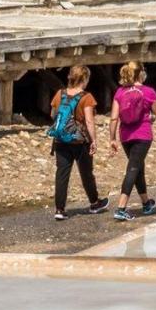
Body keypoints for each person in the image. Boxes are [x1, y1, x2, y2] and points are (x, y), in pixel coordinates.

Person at [108, 61, 156, 221]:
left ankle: (146, 204)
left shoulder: (120, 92)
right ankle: (121, 208)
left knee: (138, 168)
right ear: (140, 73)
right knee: (133, 169)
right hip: (143, 135)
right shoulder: (148, 91)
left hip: (125, 136)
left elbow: (114, 118)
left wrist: (112, 139)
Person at [47, 65, 107, 221]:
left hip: (60, 140)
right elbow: (89, 121)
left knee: (62, 174)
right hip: (80, 141)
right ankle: (94, 203)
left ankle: (60, 209)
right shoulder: (87, 97)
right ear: (84, 79)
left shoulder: (60, 94)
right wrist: (94, 140)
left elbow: (53, 114)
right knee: (86, 173)